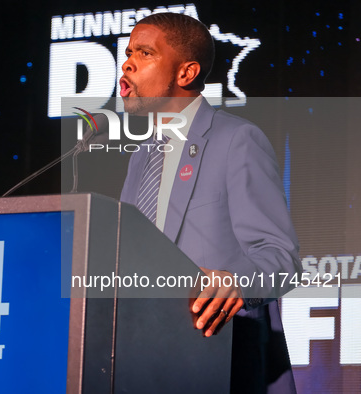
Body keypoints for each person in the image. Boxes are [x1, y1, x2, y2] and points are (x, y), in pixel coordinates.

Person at [119, 12, 302, 393]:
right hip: (146, 363)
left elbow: (281, 258)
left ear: (186, 73)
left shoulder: (237, 140)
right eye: (128, 52)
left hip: (221, 361)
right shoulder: (141, 158)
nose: (128, 63)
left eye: (145, 53)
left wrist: (236, 283)